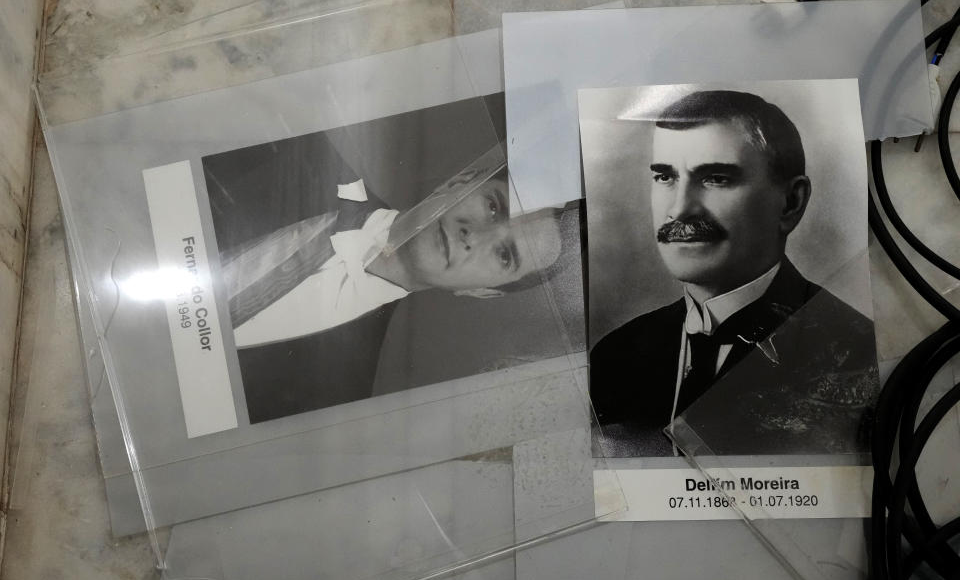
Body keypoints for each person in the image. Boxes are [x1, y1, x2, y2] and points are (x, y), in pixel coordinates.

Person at [589, 90, 878, 457]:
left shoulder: (854, 356)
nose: (679, 209)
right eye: (665, 177)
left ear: (790, 203)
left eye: (716, 178)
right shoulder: (615, 356)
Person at [214, 157, 572, 423]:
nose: (473, 235)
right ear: (461, 180)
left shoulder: (337, 401)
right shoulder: (304, 153)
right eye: (493, 207)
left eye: (504, 254)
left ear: (482, 292)